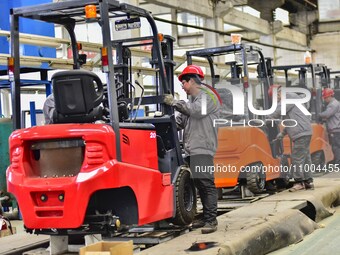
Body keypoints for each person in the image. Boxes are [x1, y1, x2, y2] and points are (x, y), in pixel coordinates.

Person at [164, 65, 220, 234]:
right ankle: (205, 217)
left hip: (203, 148)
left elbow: (195, 112)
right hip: (192, 149)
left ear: (192, 81)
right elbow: (180, 122)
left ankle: (211, 220)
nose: (182, 86)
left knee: (206, 184)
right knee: (199, 184)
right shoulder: (190, 101)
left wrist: (174, 102)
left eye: (183, 82)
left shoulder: (208, 96)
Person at [268, 85, 314, 191]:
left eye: (275, 97)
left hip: (301, 132)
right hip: (303, 131)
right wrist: (282, 133)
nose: (277, 100)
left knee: (296, 158)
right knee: (305, 158)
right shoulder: (292, 99)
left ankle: (299, 182)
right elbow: (291, 120)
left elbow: (277, 112)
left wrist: (266, 118)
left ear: (278, 93)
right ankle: (308, 182)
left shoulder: (288, 97)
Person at [319, 88, 340, 165]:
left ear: (329, 96)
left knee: (336, 147)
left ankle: (338, 164)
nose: (324, 100)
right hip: (336, 129)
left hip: (335, 129)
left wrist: (319, 115)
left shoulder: (333, 104)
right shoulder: (335, 103)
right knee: (336, 146)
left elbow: (327, 114)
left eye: (325, 98)